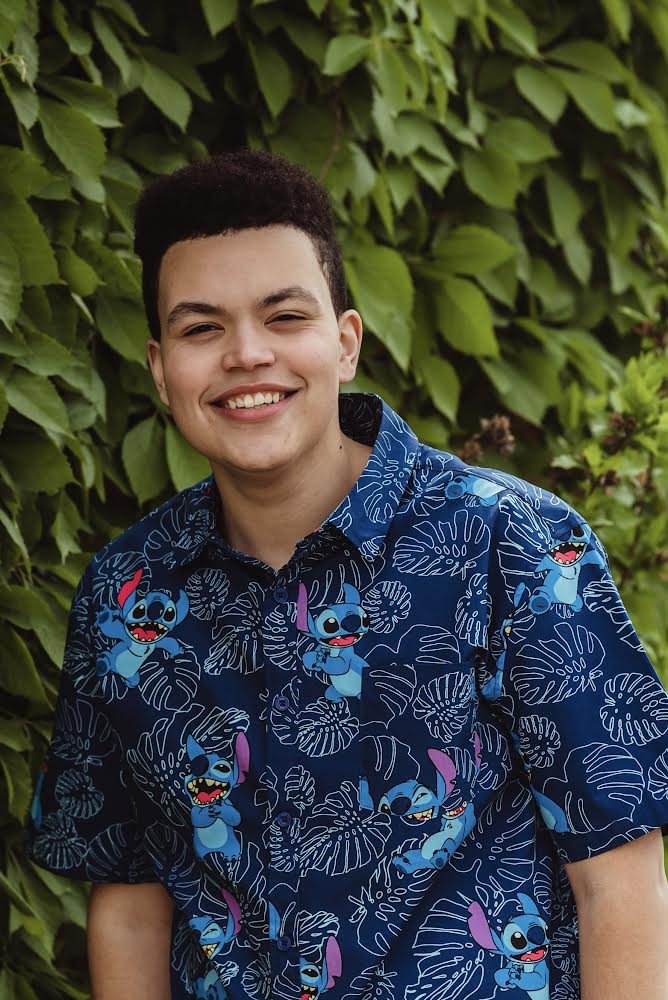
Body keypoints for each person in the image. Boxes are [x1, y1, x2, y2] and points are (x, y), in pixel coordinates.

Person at [24, 149, 668, 1000]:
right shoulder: (125, 595)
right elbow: (132, 904)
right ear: (159, 369)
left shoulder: (510, 542)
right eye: (201, 328)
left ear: (346, 341)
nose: (246, 353)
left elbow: (620, 880)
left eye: (285, 315)